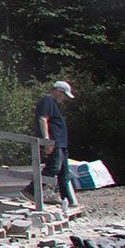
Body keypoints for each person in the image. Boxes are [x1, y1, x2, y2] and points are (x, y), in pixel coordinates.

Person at [36, 80, 76, 208]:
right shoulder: (47, 101)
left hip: (61, 143)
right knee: (54, 167)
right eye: (64, 95)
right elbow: (43, 119)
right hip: (55, 142)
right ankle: (31, 190)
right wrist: (47, 140)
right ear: (58, 91)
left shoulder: (52, 103)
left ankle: (67, 200)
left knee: (64, 173)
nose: (64, 99)